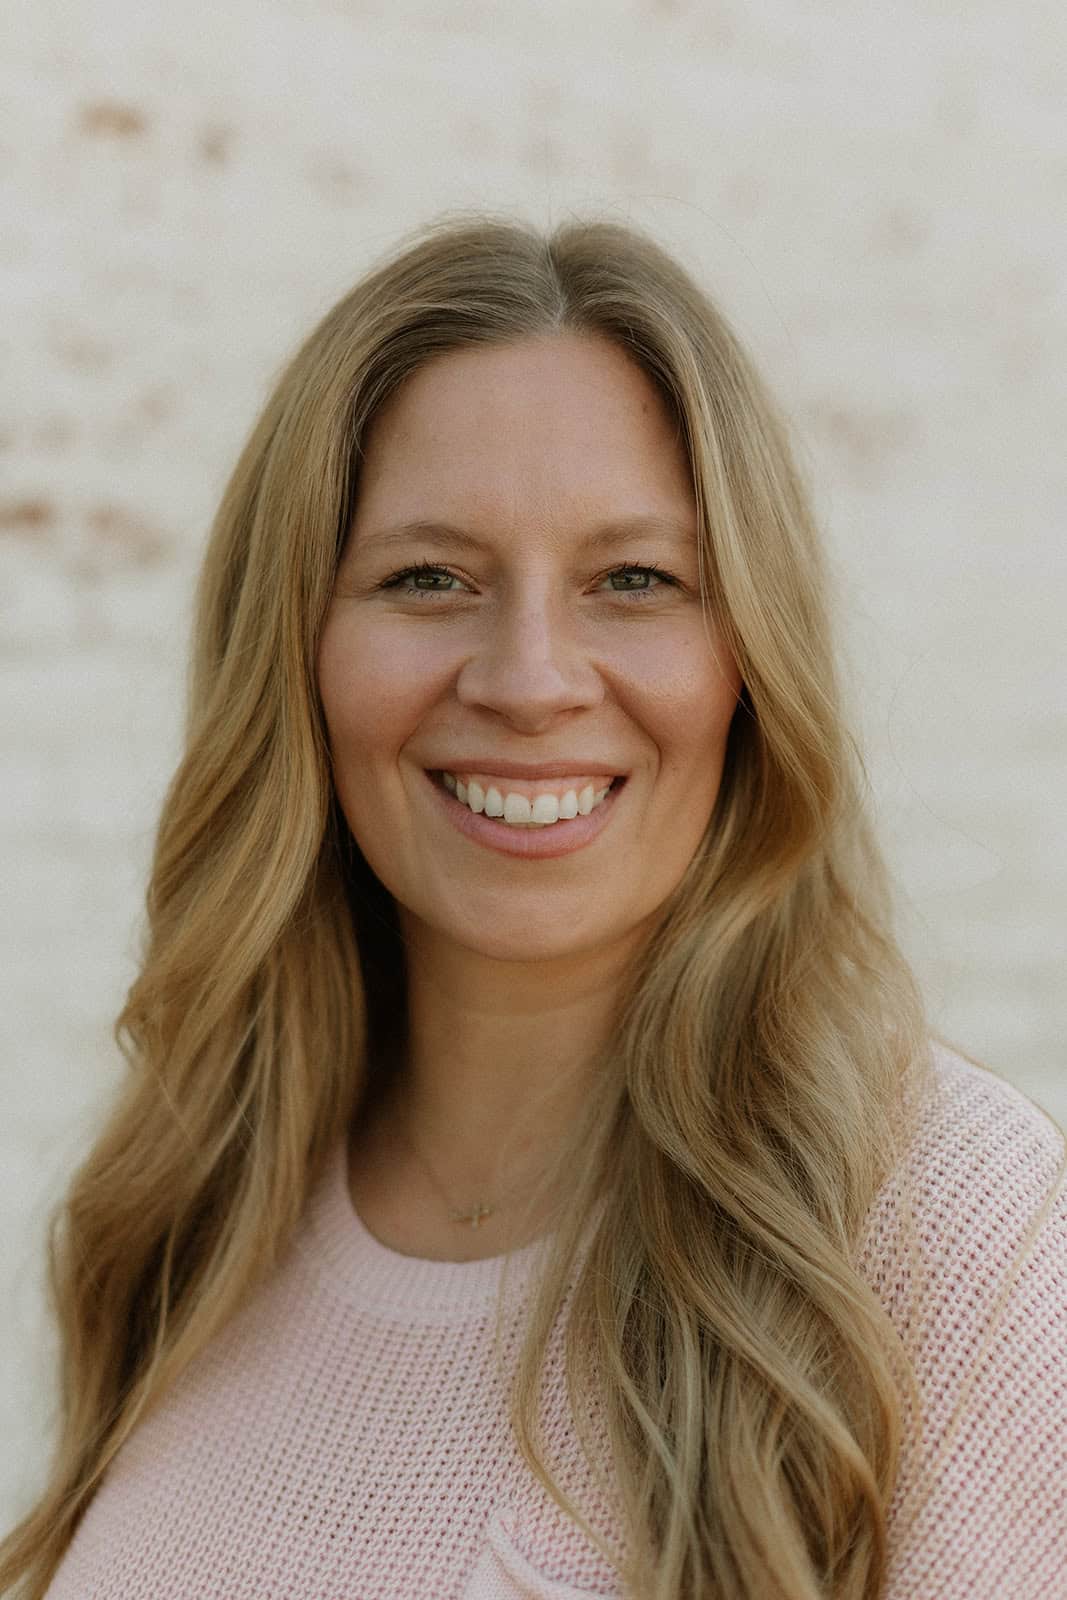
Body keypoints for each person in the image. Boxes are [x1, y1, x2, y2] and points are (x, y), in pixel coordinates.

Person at [2, 213, 1064, 1600]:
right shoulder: (200, 1202)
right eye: (427, 577)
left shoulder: (949, 1236)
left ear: (748, 658)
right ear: (297, 653)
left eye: (635, 580)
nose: (529, 680)